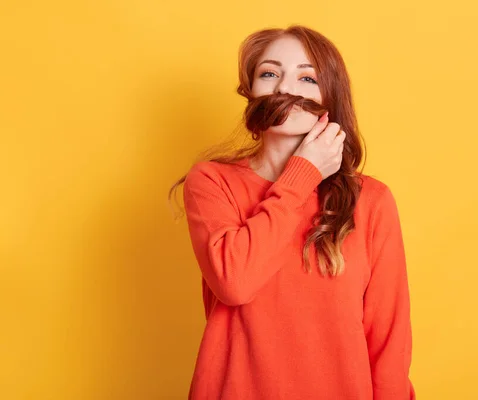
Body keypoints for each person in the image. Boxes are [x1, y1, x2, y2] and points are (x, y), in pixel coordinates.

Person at [169, 25, 415, 400]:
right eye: (269, 73)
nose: (287, 88)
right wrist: (304, 174)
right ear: (250, 92)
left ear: (330, 96)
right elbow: (234, 282)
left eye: (307, 77)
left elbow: (388, 343)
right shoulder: (211, 182)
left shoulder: (372, 201)